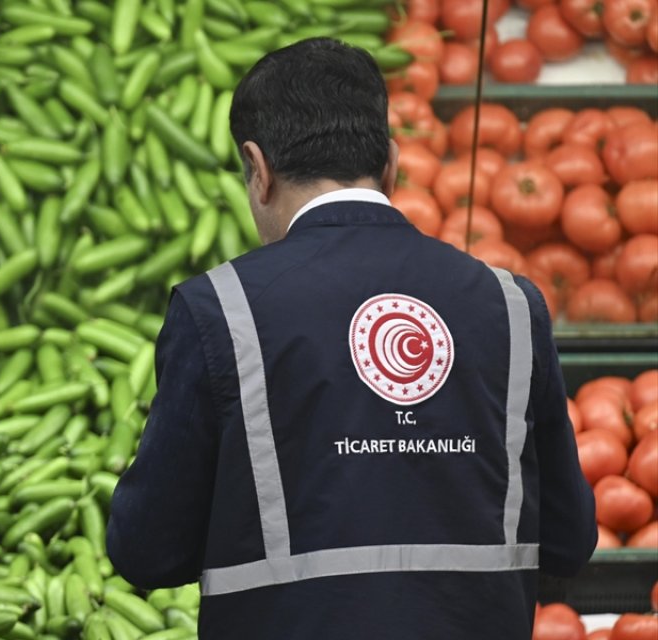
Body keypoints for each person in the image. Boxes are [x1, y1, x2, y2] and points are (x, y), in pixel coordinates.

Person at [106, 39, 596, 639]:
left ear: (257, 170)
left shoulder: (220, 309)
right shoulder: (514, 305)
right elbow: (569, 543)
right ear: (390, 163)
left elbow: (147, 551)